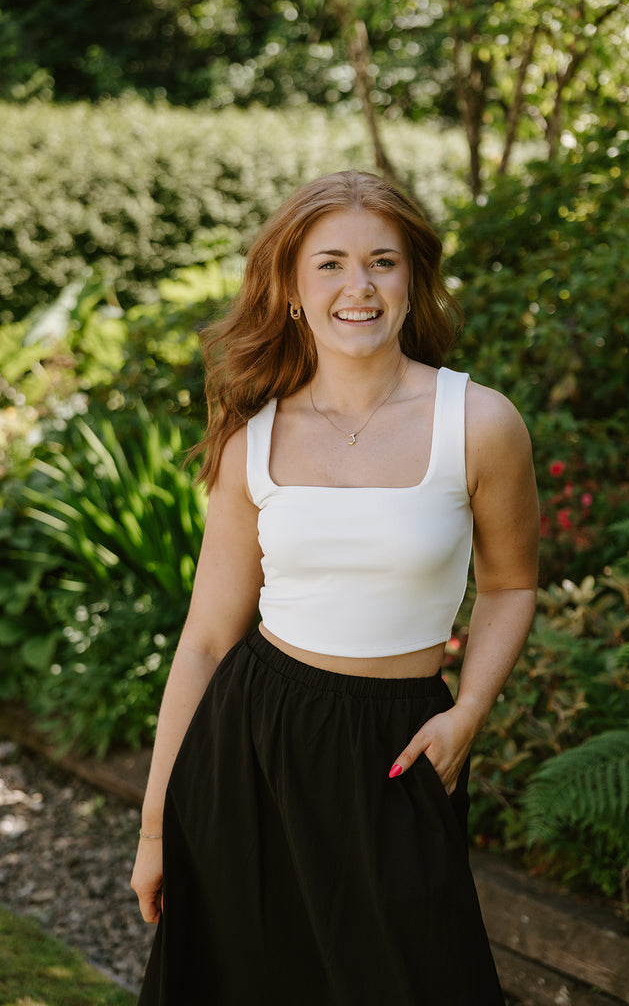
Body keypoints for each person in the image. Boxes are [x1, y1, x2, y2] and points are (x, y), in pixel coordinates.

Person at [131, 170, 539, 1006]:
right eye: (330, 264)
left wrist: (466, 710)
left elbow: (509, 585)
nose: (358, 286)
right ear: (289, 287)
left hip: (397, 748)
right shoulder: (254, 441)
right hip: (252, 742)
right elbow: (207, 638)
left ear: (413, 279)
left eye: (383, 262)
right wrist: (153, 826)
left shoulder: (479, 423)